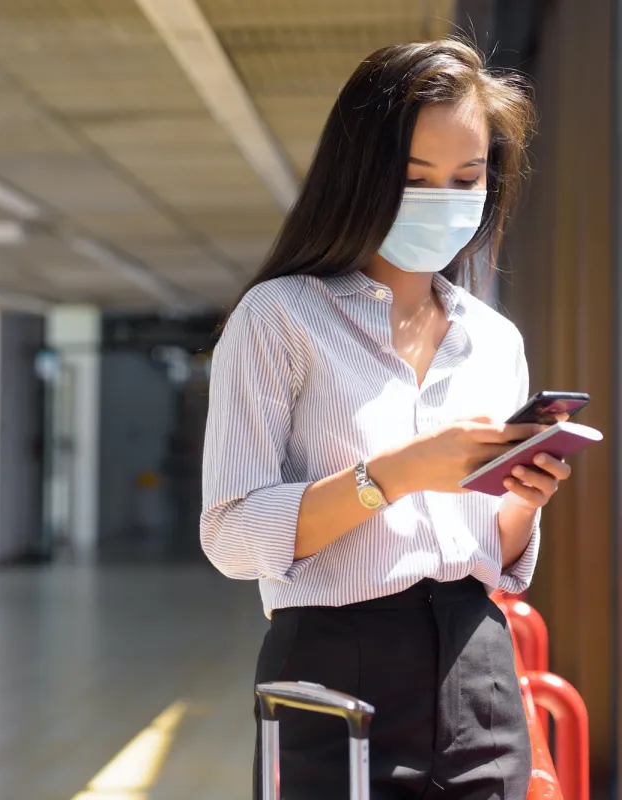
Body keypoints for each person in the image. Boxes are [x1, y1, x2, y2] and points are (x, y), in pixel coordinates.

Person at [200, 39, 572, 800]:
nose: (446, 198)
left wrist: (523, 502)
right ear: (362, 177)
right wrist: (395, 475)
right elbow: (233, 536)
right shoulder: (280, 319)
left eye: (467, 178)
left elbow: (489, 552)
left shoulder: (494, 340)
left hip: (479, 670)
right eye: (415, 179)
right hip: (336, 666)